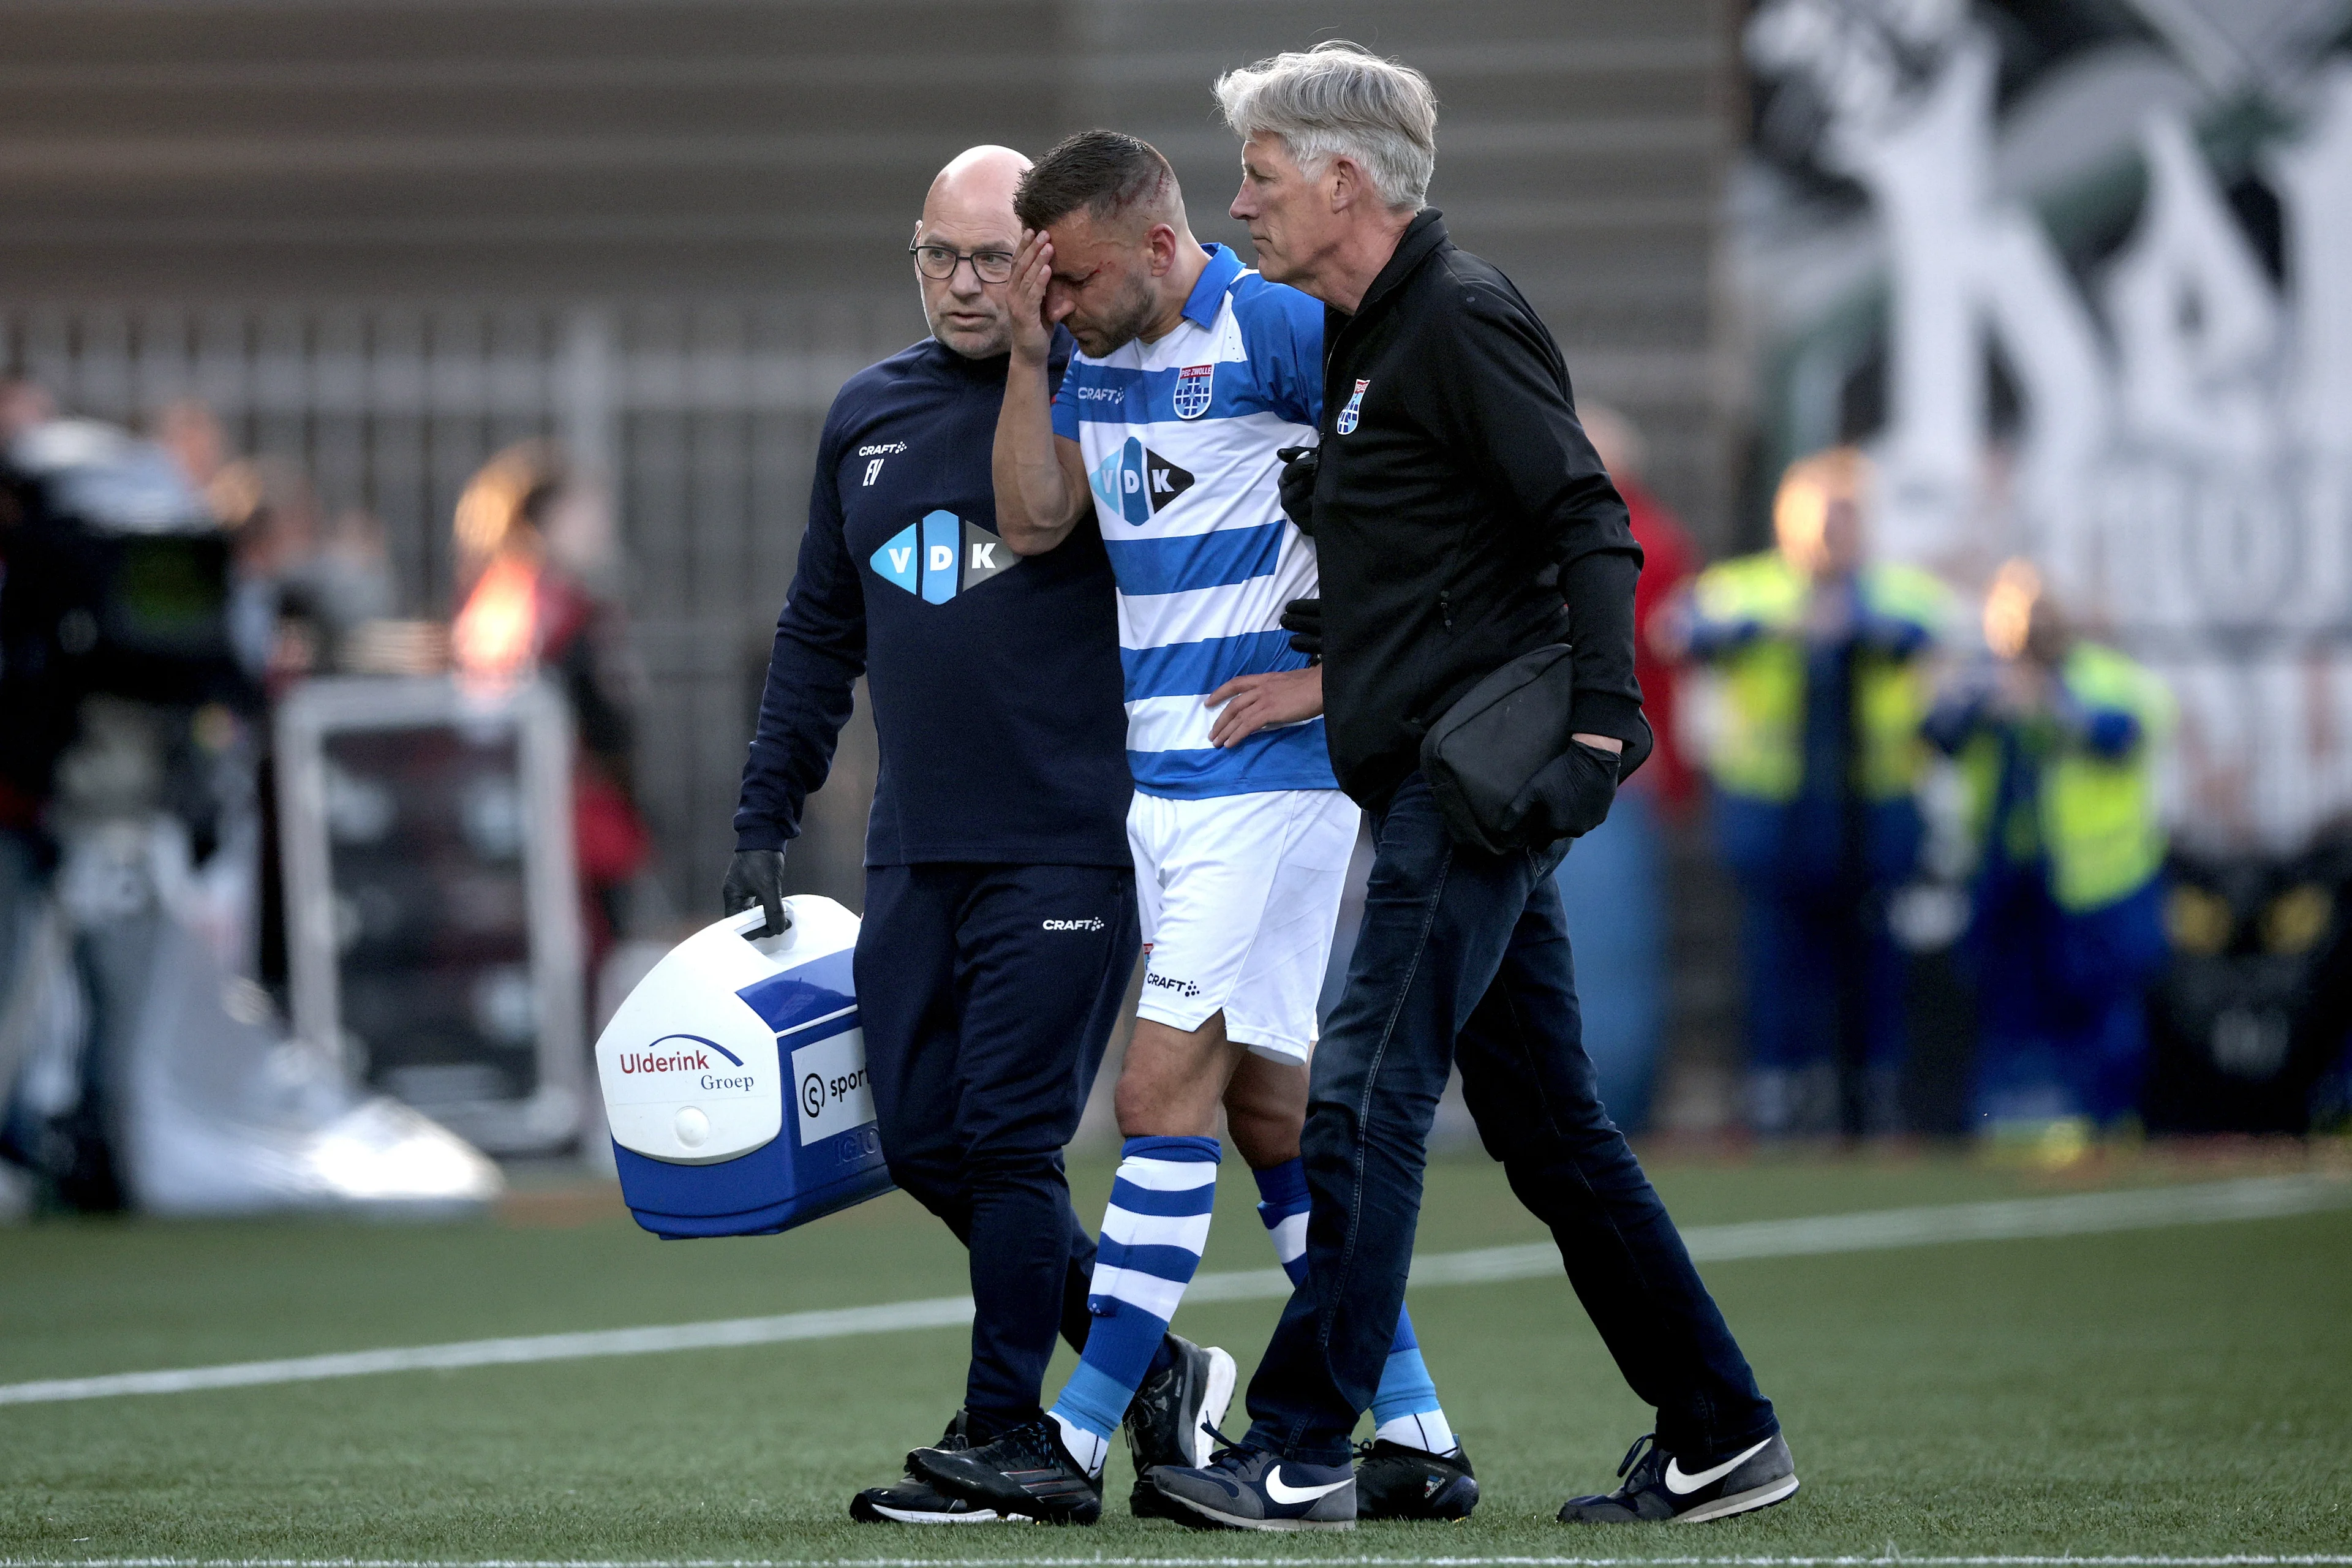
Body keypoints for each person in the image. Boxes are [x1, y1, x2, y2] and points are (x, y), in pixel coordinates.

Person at [1142, 42, 1795, 1530]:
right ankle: (1719, 1429)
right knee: (1550, 1129)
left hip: (1471, 783)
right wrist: (1342, 656)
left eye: (1256, 174)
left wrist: (1598, 730)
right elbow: (1457, 561)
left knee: (1361, 1090)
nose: (1238, 203)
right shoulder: (1373, 330)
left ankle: (1303, 1440)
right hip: (1438, 765)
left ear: (1341, 183)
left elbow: (1588, 518)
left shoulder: (1454, 318)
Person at [908, 129, 1471, 1526]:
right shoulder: (1082, 352)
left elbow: (1448, 512)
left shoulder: (1281, 331)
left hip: (1266, 792)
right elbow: (1036, 525)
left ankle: (1074, 1438)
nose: (1057, 302)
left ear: (1158, 249)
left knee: (1156, 1100)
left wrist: (1330, 680)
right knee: (1269, 1119)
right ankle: (1413, 1428)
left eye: (1074, 281)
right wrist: (1037, 361)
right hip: (1164, 796)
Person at [720, 146, 1220, 1525]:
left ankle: (1009, 1433)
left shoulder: (1106, 402)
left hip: (1066, 841)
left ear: (1049, 261)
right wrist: (767, 812)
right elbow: (820, 629)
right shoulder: (864, 413)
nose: (961, 281)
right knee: (927, 1139)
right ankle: (1162, 1366)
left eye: (991, 256)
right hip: (914, 846)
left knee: (1007, 1137)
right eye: (936, 255)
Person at [1675, 447, 1950, 1137]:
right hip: (1775, 815)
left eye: (1847, 514)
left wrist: (1861, 631)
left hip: (1874, 814)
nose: (1833, 530)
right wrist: (1777, 629)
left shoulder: (1894, 592)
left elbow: (1932, 635)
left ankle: (1871, 1092)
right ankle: (1780, 1090)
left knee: (1874, 961)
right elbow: (1682, 630)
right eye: (1821, 514)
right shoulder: (1752, 588)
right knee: (1776, 959)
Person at [1924, 559, 2173, 1144]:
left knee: (2103, 1021)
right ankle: (2012, 1130)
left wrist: (2051, 707)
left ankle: (2111, 1128)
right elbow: (1937, 733)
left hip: (2097, 887)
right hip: (2009, 879)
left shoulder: (2102, 678)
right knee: (2007, 1016)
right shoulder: (1985, 684)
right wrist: (1987, 701)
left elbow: (2126, 731)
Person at [1550, 403, 1701, 1131]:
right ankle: (1613, 1105)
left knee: (1591, 958)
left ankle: (1598, 1104)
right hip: (1629, 774)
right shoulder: (1663, 541)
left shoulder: (1612, 542)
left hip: (1600, 773)